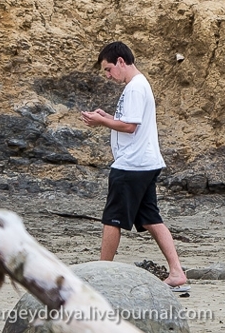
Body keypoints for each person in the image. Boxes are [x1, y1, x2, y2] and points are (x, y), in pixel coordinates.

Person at [81, 41, 188, 291]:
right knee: (151, 218)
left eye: (108, 69)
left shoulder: (136, 87)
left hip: (132, 165)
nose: (108, 76)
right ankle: (176, 273)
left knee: (112, 219)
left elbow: (130, 126)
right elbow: (130, 123)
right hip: (144, 162)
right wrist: (107, 117)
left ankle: (100, 276)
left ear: (120, 61)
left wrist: (101, 122)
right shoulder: (137, 86)